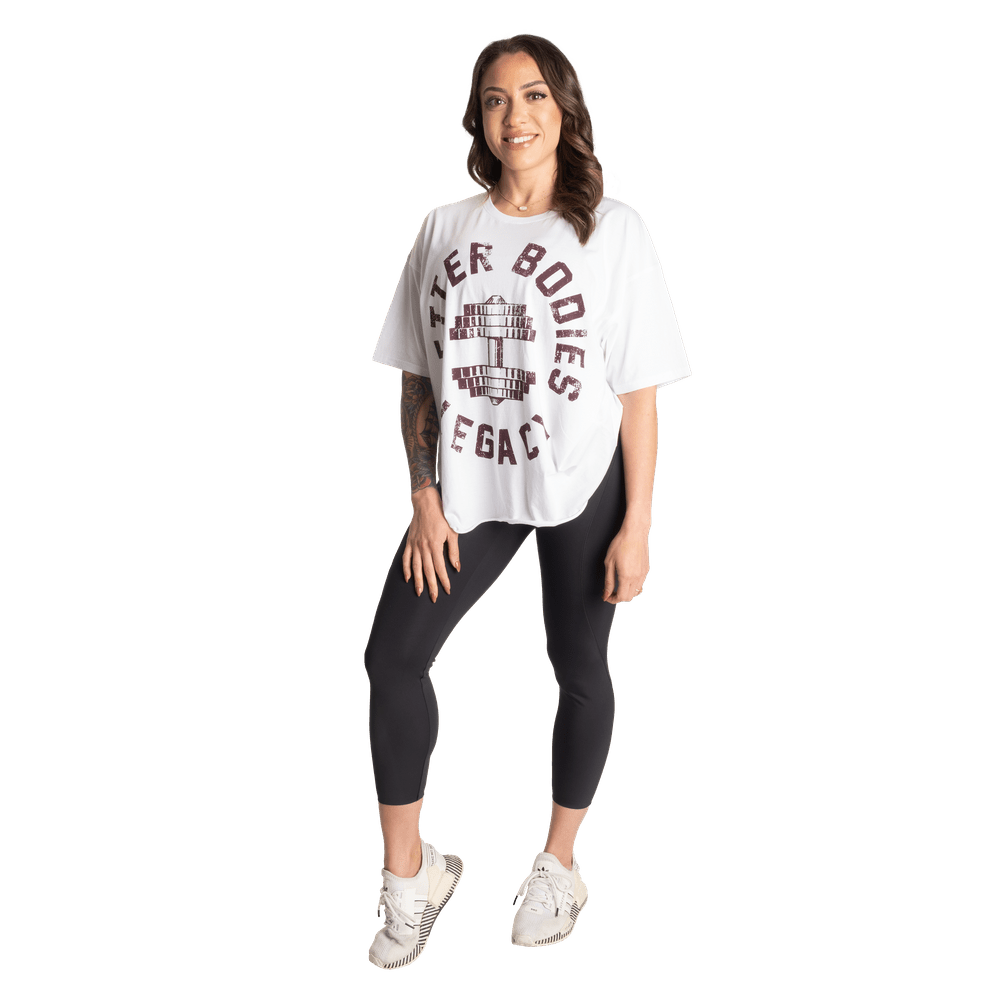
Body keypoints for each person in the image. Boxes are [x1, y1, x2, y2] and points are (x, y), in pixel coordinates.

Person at [363, 30, 692, 970]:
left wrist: (639, 521)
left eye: (536, 94)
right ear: (478, 118)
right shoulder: (442, 228)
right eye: (497, 98)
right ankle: (411, 874)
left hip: (581, 477)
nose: (517, 115)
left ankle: (559, 865)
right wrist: (424, 495)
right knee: (391, 658)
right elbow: (417, 374)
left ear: (566, 109)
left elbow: (638, 391)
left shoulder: (614, 231)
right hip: (471, 484)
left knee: (578, 664)